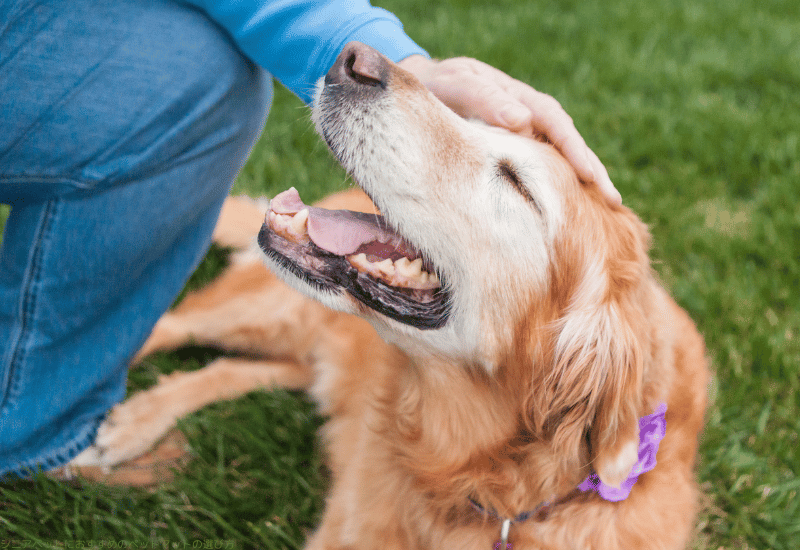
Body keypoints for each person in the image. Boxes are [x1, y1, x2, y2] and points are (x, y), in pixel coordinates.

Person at [0, 0, 619, 481]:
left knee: (202, 70)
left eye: (512, 184)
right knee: (207, 78)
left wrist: (411, 64)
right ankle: (49, 407)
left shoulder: (591, 364)